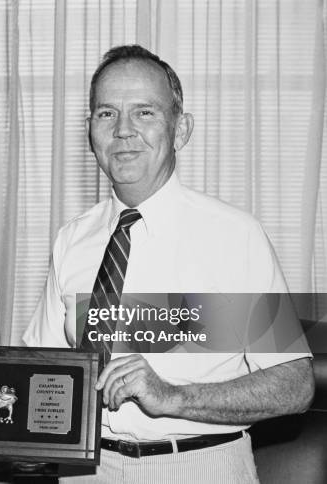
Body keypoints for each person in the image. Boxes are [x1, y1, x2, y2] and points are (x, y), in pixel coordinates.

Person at [23, 44, 314, 483]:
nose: (123, 131)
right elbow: (41, 371)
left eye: (145, 113)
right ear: (89, 132)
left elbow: (295, 385)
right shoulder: (72, 239)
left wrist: (173, 396)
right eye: (106, 114)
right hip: (85, 470)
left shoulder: (236, 236)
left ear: (181, 130)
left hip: (201, 466)